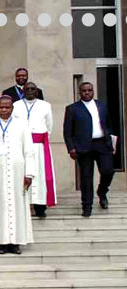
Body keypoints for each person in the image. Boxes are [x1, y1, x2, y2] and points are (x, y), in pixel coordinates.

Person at [0, 96, 35, 254]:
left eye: (7, 107)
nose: (4, 110)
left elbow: (29, 151)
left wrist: (29, 173)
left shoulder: (22, 125)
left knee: (17, 204)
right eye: (1, 107)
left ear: (12, 108)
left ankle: (15, 242)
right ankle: (0, 242)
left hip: (17, 170)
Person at [63, 82, 114, 217]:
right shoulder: (72, 109)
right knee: (86, 177)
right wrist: (71, 148)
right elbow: (67, 131)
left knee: (108, 170)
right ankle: (87, 206)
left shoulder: (101, 105)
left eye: (89, 90)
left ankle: (102, 192)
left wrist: (111, 140)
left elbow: (108, 124)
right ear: (79, 92)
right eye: (84, 91)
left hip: (102, 144)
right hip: (83, 146)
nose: (87, 93)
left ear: (93, 91)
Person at [13, 82, 56, 218]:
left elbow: (49, 126)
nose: (30, 91)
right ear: (23, 91)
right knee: (21, 174)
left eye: (33, 89)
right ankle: (23, 205)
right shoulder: (16, 106)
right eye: (27, 89)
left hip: (39, 146)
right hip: (21, 145)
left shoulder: (45, 106)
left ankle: (40, 206)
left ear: (37, 91)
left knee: (40, 175)